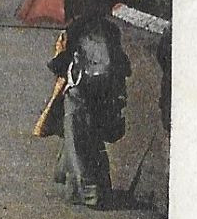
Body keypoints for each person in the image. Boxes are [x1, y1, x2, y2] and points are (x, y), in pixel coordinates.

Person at [35, 11, 132, 208]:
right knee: (93, 139)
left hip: (78, 92)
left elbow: (59, 66)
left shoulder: (75, 29)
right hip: (103, 94)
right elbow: (123, 65)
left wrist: (61, 47)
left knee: (76, 141)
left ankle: (88, 191)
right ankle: (94, 186)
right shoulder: (111, 30)